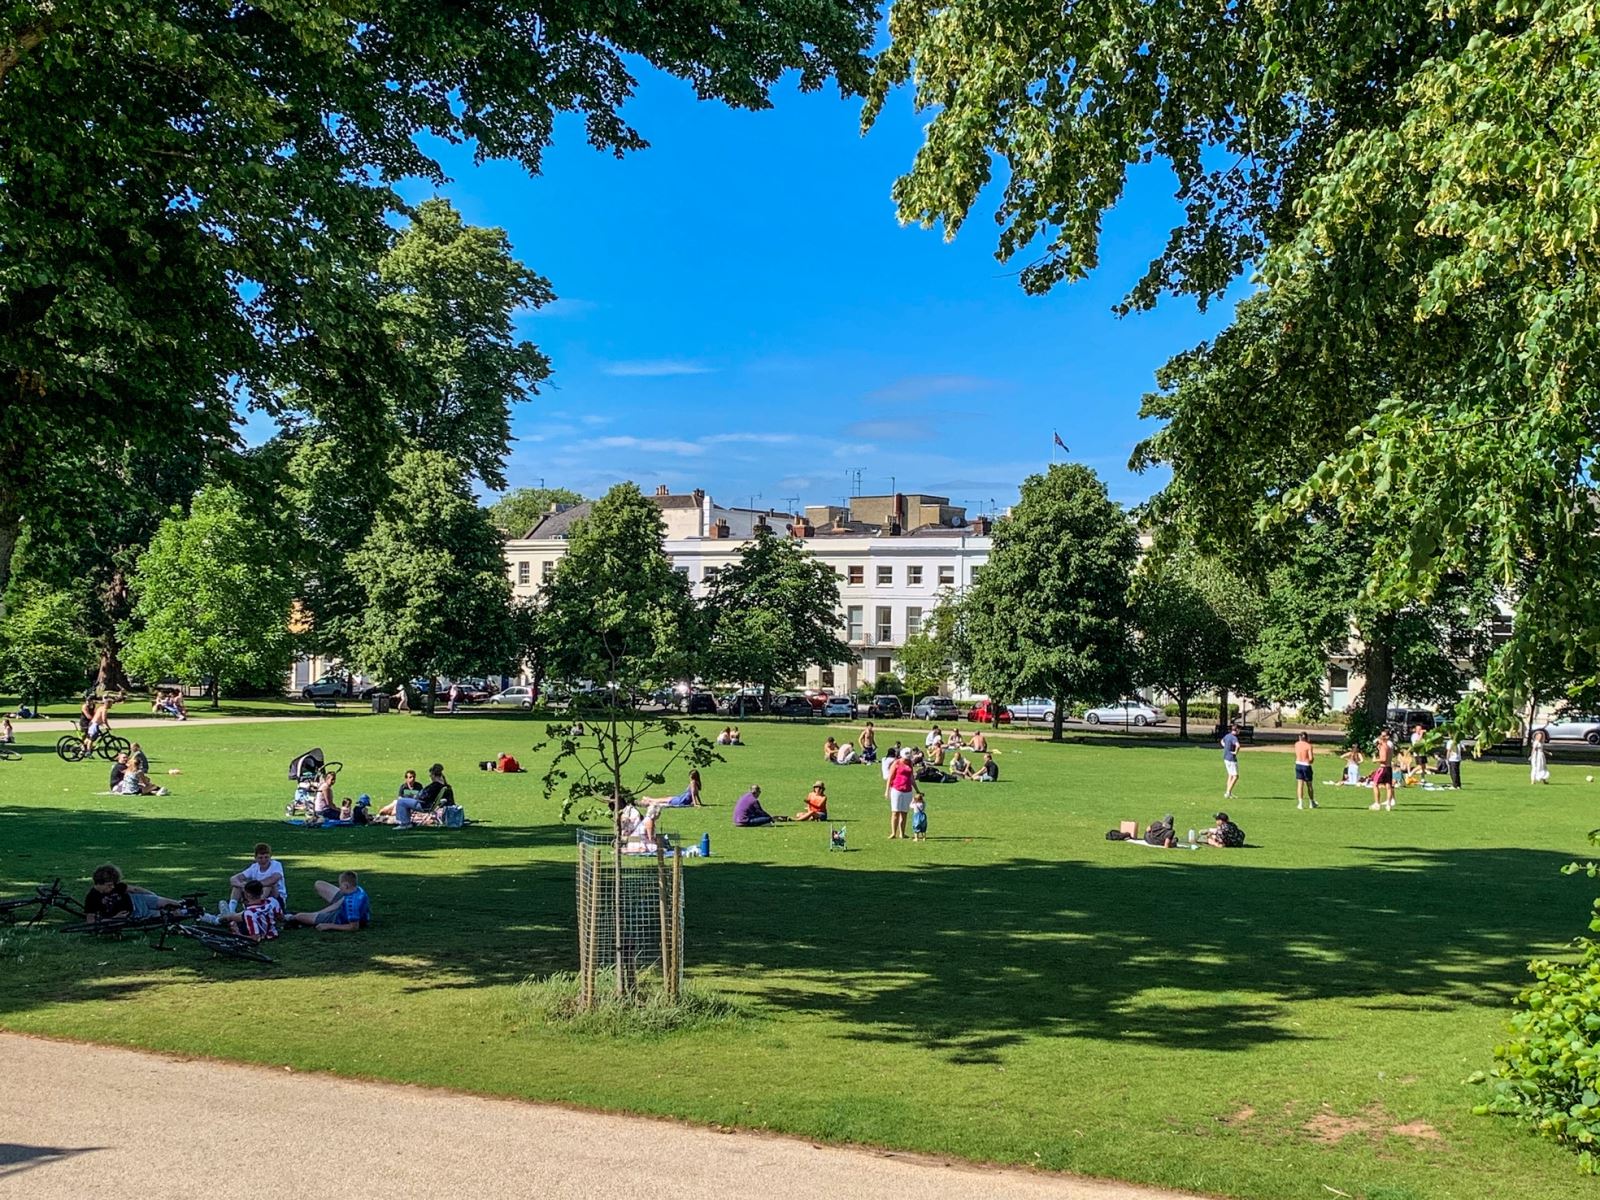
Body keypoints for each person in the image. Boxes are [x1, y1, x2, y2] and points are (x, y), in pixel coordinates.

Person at [83, 863, 180, 923]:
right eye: (109, 885)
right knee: (169, 914)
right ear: (100, 883)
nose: (112, 887)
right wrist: (114, 918)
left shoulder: (116, 886)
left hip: (138, 900)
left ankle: (183, 904)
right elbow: (91, 921)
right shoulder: (92, 898)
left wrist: (152, 895)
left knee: (168, 902)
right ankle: (184, 912)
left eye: (113, 884)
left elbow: (135, 889)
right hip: (136, 914)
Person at [284, 872, 371, 932]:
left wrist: (328, 926)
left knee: (300, 916)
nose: (339, 887)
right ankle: (317, 915)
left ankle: (291, 917)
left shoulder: (351, 903)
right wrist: (318, 912)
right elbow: (339, 903)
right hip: (344, 908)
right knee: (319, 884)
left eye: (340, 885)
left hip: (339, 918)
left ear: (346, 885)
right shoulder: (358, 890)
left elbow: (354, 927)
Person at [204, 879, 282, 941]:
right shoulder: (272, 901)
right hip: (272, 933)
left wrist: (237, 933)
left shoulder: (249, 913)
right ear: (262, 892)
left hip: (255, 931)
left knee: (230, 918)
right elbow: (280, 917)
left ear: (247, 894)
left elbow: (255, 938)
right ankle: (220, 917)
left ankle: (214, 919)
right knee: (231, 916)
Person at [227, 843, 286, 912]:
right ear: (255, 858)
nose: (263, 860)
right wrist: (242, 885)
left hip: (276, 899)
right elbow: (233, 879)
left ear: (270, 857)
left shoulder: (276, 865)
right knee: (237, 886)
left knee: (268, 886)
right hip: (256, 895)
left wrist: (253, 886)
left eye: (266, 857)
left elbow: (274, 879)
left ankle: (255, 906)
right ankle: (231, 911)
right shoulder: (254, 867)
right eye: (260, 858)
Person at [395, 762, 454, 828]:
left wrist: (417, 797)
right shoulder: (444, 785)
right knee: (405, 801)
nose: (430, 777)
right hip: (429, 805)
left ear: (433, 775)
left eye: (431, 775)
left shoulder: (435, 786)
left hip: (424, 805)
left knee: (401, 802)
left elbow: (423, 796)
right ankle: (407, 821)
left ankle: (405, 823)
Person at [886, 753, 916, 839]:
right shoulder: (896, 763)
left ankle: (902, 833)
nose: (906, 760)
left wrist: (917, 790)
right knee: (895, 812)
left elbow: (911, 778)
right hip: (897, 789)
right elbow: (890, 777)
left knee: (904, 813)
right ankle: (893, 833)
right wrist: (887, 790)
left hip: (907, 790)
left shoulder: (910, 763)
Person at [1369, 730, 1397, 810]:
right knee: (1388, 786)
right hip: (1388, 768)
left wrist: (1375, 760)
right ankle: (1388, 804)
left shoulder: (1384, 747)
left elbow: (1383, 759)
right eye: (1381, 735)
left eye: (1384, 736)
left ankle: (1377, 803)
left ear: (1387, 737)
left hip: (1383, 768)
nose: (1381, 737)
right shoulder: (1388, 746)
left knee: (1375, 784)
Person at [1293, 731, 1318, 810]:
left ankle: (1300, 803)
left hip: (1298, 764)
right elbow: (1310, 758)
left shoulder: (1296, 744)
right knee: (1309, 785)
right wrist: (1311, 761)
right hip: (1306, 765)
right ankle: (1311, 802)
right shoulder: (1308, 746)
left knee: (1300, 784)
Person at [1220, 722, 1241, 799]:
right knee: (1235, 776)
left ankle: (1228, 792)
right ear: (1237, 730)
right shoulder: (1234, 737)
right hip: (1231, 758)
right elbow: (1238, 746)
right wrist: (1235, 752)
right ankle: (1228, 792)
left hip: (1225, 757)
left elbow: (1222, 741)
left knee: (1230, 775)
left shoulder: (1227, 736)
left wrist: (1226, 747)